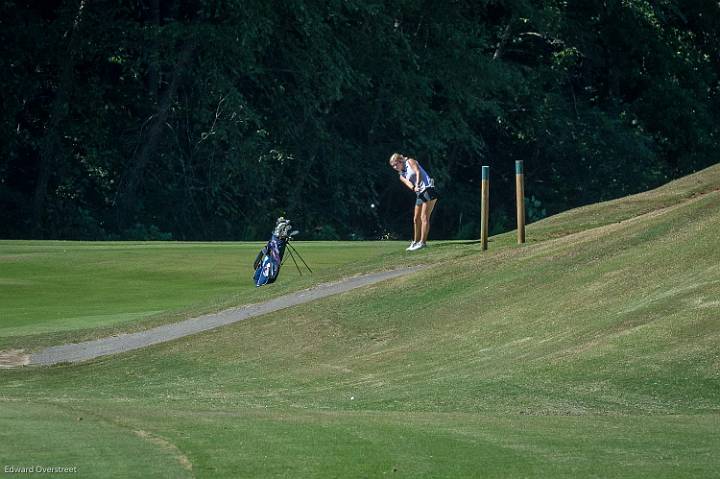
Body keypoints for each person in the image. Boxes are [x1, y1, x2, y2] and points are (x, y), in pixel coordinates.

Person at [388, 152, 438, 251]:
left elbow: (418, 171)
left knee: (424, 217)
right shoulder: (401, 175)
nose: (394, 167)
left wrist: (418, 184)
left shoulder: (410, 161)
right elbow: (408, 183)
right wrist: (414, 187)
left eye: (396, 164)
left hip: (428, 189)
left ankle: (422, 243)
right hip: (420, 192)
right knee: (416, 219)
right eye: (393, 165)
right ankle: (415, 242)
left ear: (400, 161)